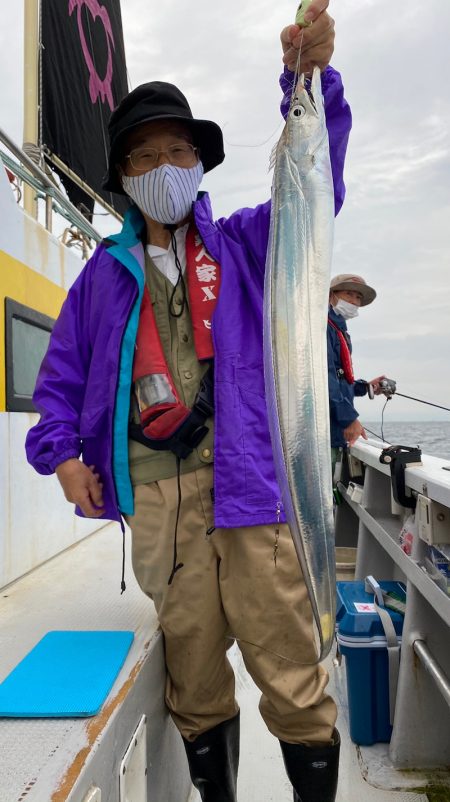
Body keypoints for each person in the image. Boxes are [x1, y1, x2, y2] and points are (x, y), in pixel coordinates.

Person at [26, 5, 351, 800]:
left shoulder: (248, 243)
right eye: (145, 154)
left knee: (293, 676)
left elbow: (317, 177)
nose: (163, 163)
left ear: (199, 163)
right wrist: (62, 459)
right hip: (164, 507)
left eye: (178, 149)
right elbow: (57, 386)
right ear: (126, 178)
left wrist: (308, 81)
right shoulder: (100, 281)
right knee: (196, 683)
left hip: (257, 496)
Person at [328, 273, 386, 478]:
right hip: (323, 432)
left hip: (335, 431)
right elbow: (323, 379)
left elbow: (339, 378)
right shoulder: (323, 326)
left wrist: (366, 387)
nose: (354, 301)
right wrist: (349, 419)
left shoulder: (339, 329)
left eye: (358, 298)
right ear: (331, 295)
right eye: (349, 294)